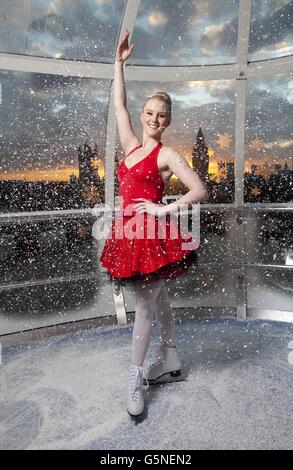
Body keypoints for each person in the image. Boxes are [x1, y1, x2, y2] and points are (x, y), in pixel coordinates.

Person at [99, 29, 208, 418]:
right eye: (149, 113)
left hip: (153, 236)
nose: (153, 119)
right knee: (158, 300)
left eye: (160, 115)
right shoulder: (130, 146)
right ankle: (172, 358)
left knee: (144, 306)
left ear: (168, 121)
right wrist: (118, 63)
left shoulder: (168, 155)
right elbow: (118, 107)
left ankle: (136, 375)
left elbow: (200, 189)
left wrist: (164, 210)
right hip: (129, 235)